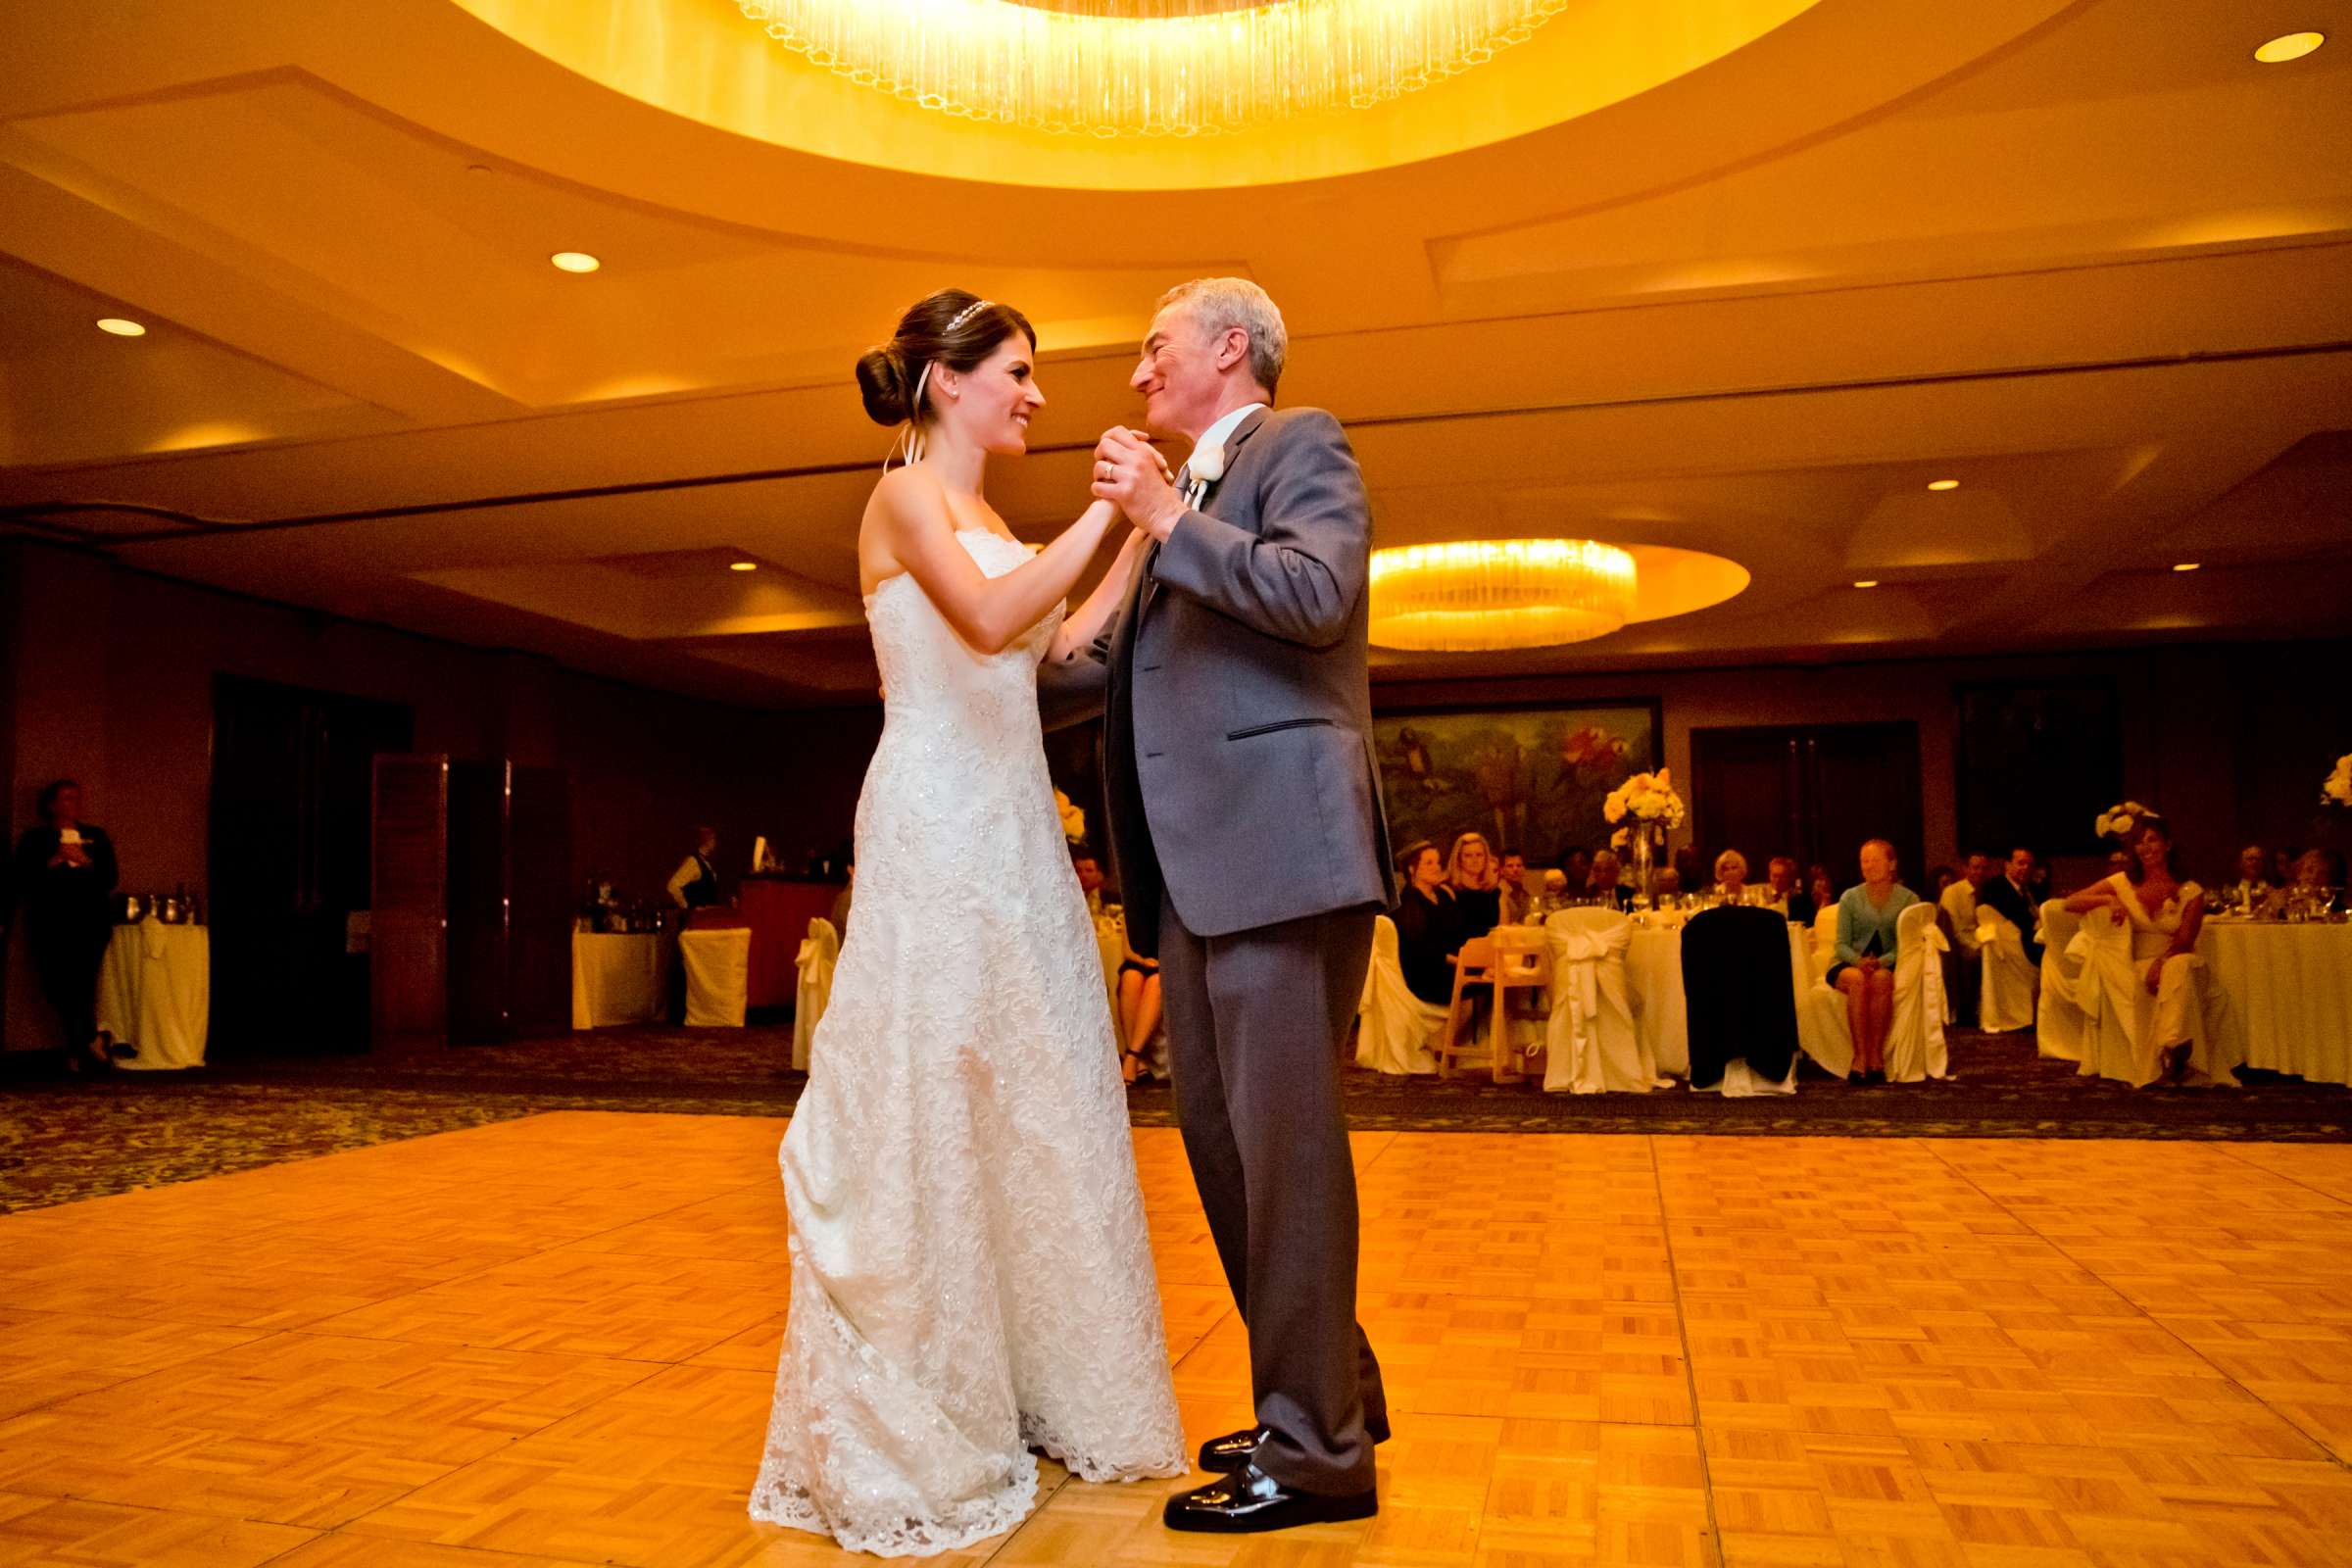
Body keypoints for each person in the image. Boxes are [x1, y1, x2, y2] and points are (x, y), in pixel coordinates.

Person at [751, 289, 1184, 1555]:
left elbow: (1060, 655)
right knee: (929, 1110)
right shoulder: (903, 501)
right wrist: (1107, 506)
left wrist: (1150, 535)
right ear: (948, 382)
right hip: (935, 824)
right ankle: (918, 1419)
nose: (1036, 395)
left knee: (1036, 1101)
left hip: (1015, 833)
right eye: (1017, 371)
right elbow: (992, 621)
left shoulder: (992, 514)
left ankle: (1035, 1387)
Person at [1044, 275, 1393, 1534]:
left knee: (1287, 1156)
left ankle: (1316, 1460)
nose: (1136, 375)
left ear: (1231, 349)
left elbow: (1314, 596)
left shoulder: (1300, 445)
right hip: (1190, 873)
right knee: (1227, 1152)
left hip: (1282, 854)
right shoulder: (1173, 509)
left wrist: (1160, 515)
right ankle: (1328, 1392)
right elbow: (1089, 669)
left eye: (1155, 349)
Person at [2064, 814, 2216, 1084]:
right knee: (2169, 971)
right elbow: (2071, 902)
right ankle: (2173, 1047)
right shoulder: (2122, 882)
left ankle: (2170, 1045)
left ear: (2168, 844)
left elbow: (2185, 939)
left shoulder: (2191, 891)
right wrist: (2108, 899)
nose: (2146, 848)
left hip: (2176, 956)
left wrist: (2162, 961)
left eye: (2152, 840)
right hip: (2133, 960)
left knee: (2178, 967)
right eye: (2139, 843)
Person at [3, 780, 120, 1073]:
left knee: (82, 983)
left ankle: (76, 1052)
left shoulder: (96, 836)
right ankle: (89, 1040)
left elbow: (110, 879)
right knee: (55, 984)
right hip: (50, 922)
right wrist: (55, 860)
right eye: (67, 798)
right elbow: (22, 880)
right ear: (52, 804)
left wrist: (85, 861)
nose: (74, 804)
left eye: (77, 798)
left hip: (89, 921)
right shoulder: (35, 839)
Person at [1832, 839, 1919, 1086]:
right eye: (1864, 860)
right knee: (1858, 980)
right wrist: (1858, 961)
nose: (1868, 865)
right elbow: (1840, 944)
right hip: (1848, 962)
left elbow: (1907, 944)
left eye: (1875, 860)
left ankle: (1875, 1057)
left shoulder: (1909, 899)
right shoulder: (1850, 897)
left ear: (1891, 864)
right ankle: (1859, 1057)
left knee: (1881, 979)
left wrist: (1881, 962)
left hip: (1887, 963)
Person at [1388, 842, 1460, 1006]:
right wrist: (1461, 963)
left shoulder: (1443, 895)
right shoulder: (1407, 904)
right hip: (1426, 975)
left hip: (1453, 965)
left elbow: (1459, 932)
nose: (1436, 868)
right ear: (1412, 869)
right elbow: (1420, 951)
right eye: (1429, 863)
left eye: (1438, 862)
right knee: (1485, 983)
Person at [1939, 853, 1993, 1028]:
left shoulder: (1989, 891)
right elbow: (1953, 930)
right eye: (1975, 867)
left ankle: (1994, 1011)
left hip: (1986, 940)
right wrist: (1976, 946)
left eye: (1984, 868)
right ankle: (1966, 1011)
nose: (1980, 872)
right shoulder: (1952, 892)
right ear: (1965, 869)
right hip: (1959, 944)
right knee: (1972, 958)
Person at [1978, 846, 2044, 966]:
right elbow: (2017, 922)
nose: (2026, 868)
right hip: (2014, 949)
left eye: (2030, 864)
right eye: (2021, 863)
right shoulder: (1995, 887)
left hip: (2034, 940)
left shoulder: (2033, 888)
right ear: (2007, 865)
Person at [1447, 832, 1501, 933]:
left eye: (1479, 855)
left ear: (1486, 858)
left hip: (1488, 946)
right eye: (1468, 855)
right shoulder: (1447, 890)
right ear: (1458, 859)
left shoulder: (1491, 890)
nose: (1475, 860)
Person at [665, 826, 722, 910]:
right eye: (713, 839)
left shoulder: (707, 863)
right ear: (707, 841)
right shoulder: (693, 862)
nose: (715, 843)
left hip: (707, 918)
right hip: (698, 919)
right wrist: (688, 907)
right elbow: (672, 885)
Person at [2223, 844, 2273, 911]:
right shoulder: (2230, 887)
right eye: (2250, 859)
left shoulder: (2272, 885)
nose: (2255, 862)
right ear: (2241, 863)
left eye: (2259, 859)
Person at [1766, 857, 1815, 925]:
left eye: (1782, 877)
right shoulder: (1761, 895)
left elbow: (1807, 924)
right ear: (1769, 875)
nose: (1778, 880)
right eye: (1774, 876)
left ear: (1790, 877)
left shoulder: (1800, 899)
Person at [1496, 849, 1534, 924]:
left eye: (1519, 865)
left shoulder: (1527, 891)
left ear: (1524, 868)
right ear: (1501, 870)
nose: (1515, 869)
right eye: (1510, 866)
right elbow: (1503, 926)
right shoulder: (1498, 893)